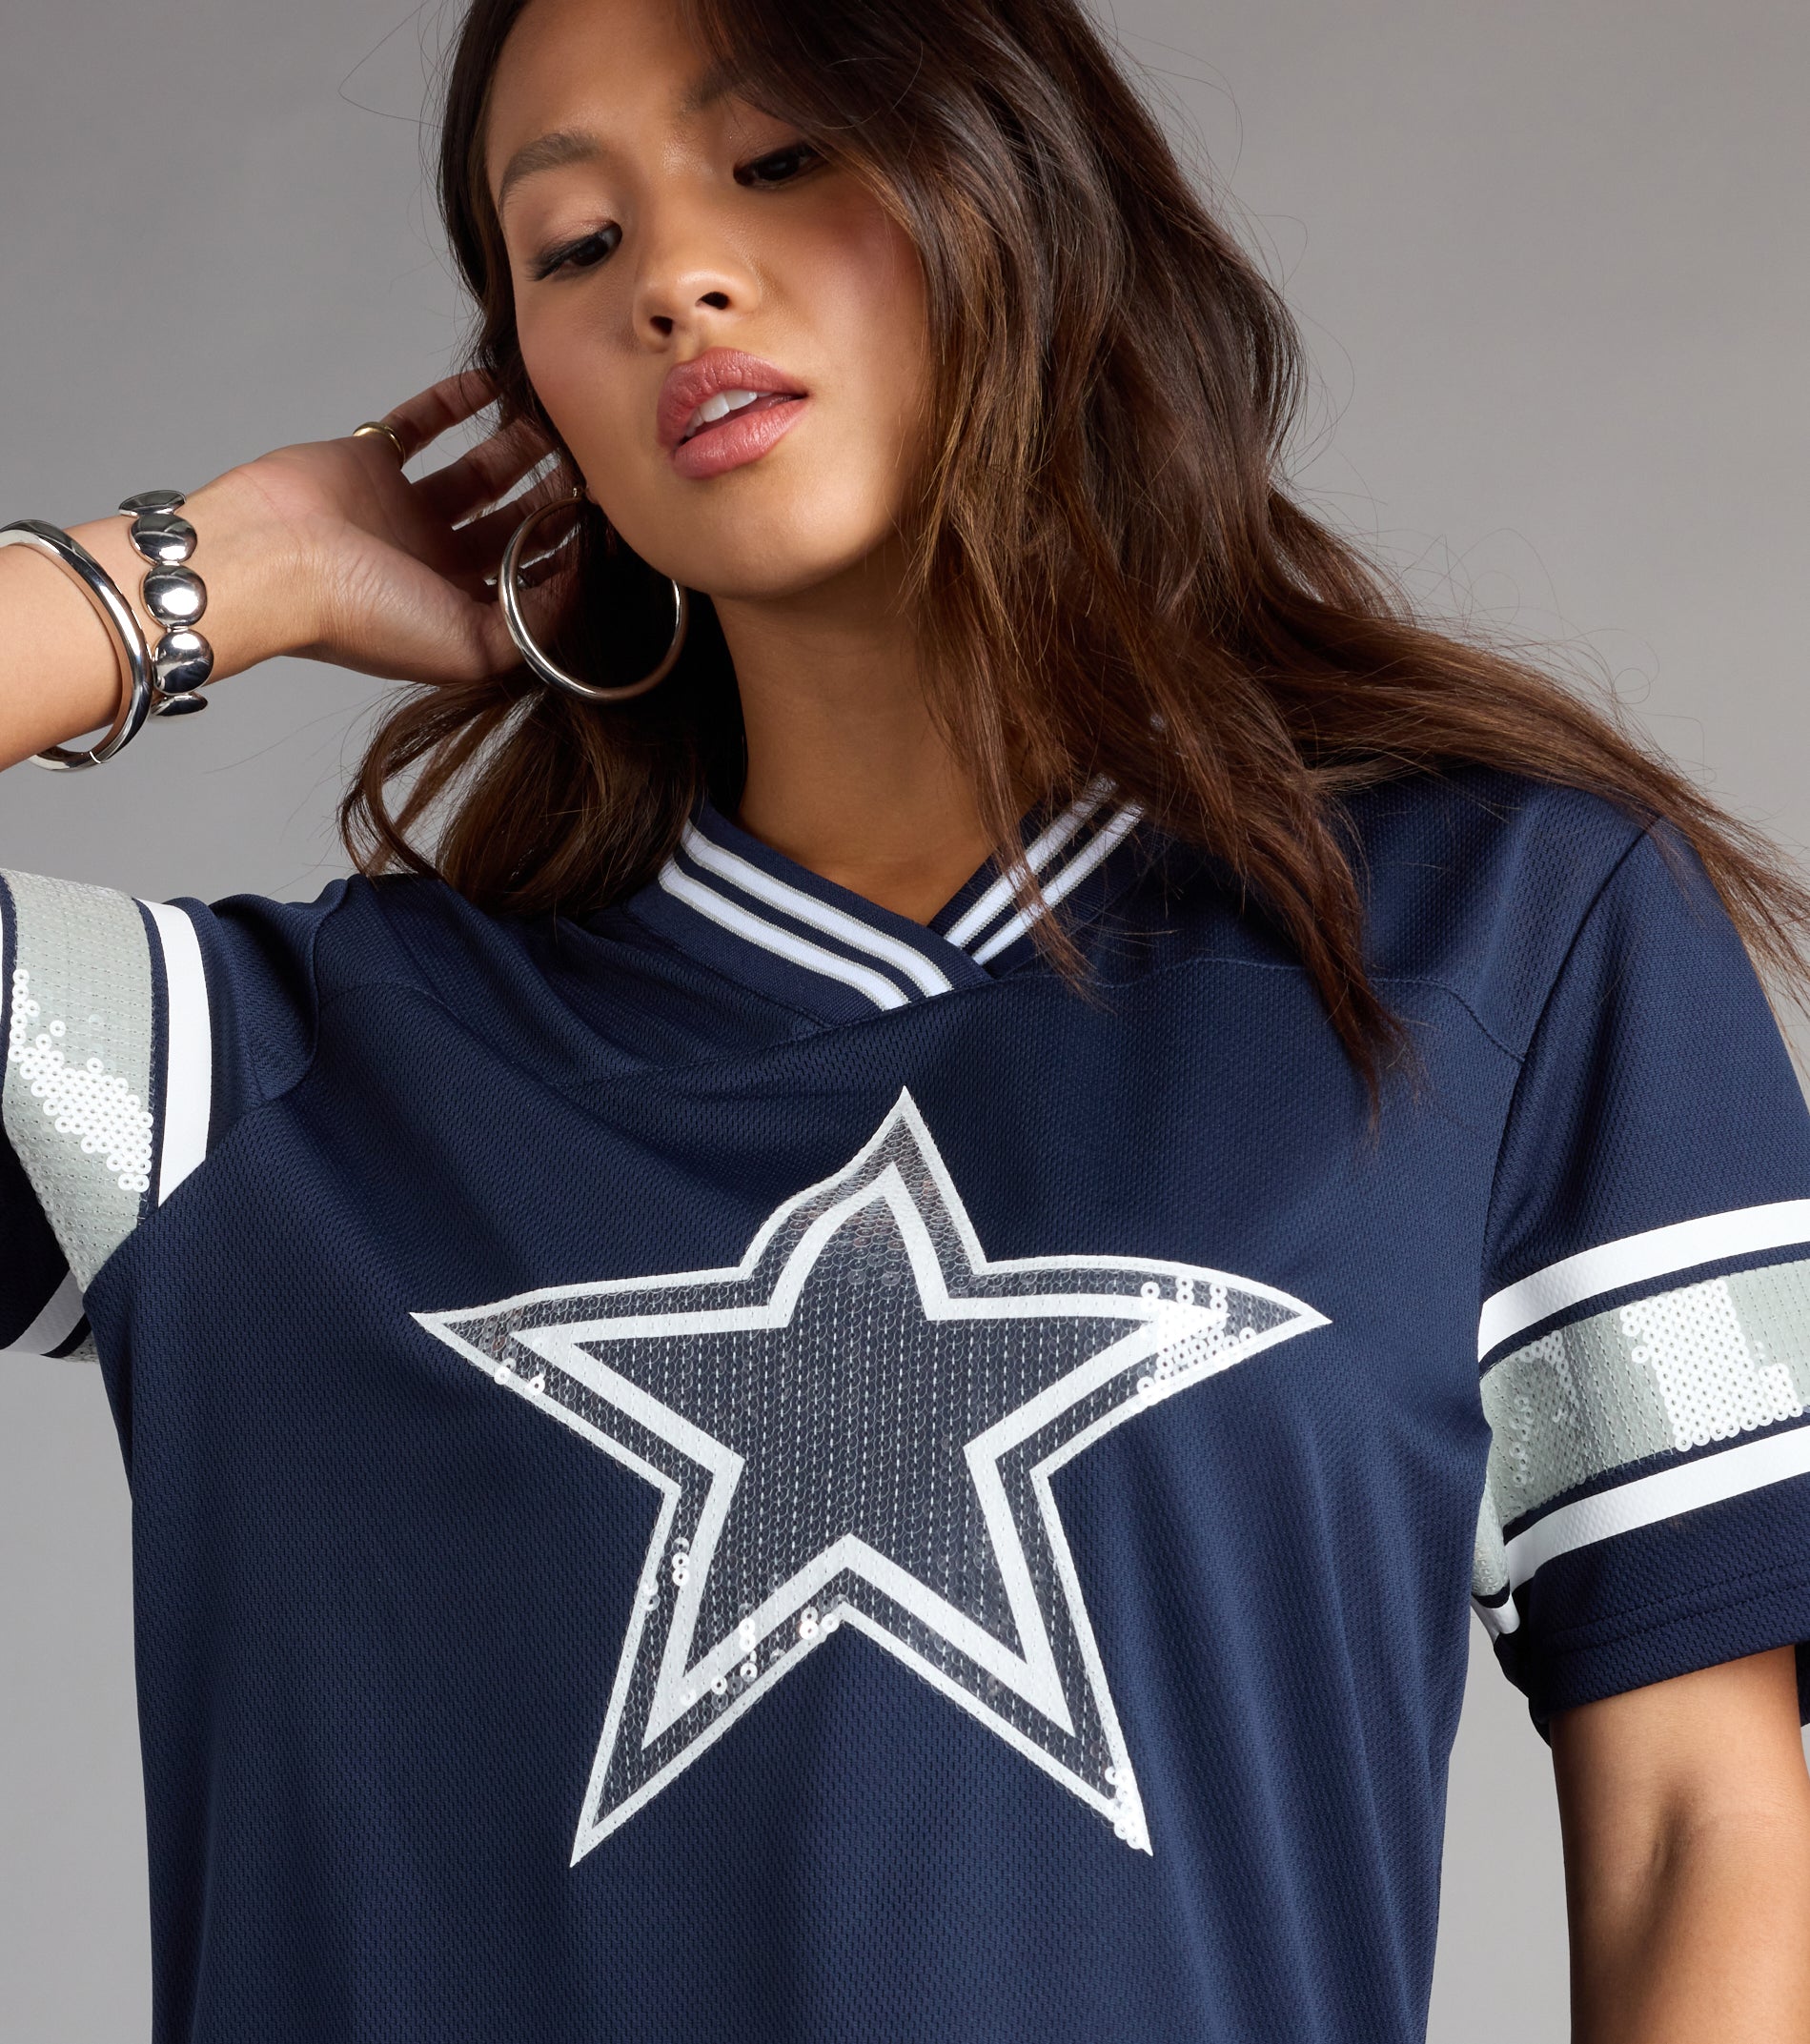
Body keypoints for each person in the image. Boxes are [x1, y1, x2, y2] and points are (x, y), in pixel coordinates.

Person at [3, 0, 1809, 2035]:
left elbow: (1698, 1822)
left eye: (780, 158)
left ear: (1020, 182)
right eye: (575, 246)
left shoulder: (1504, 938)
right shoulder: (252, 1084)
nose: (676, 279)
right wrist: (214, 572)